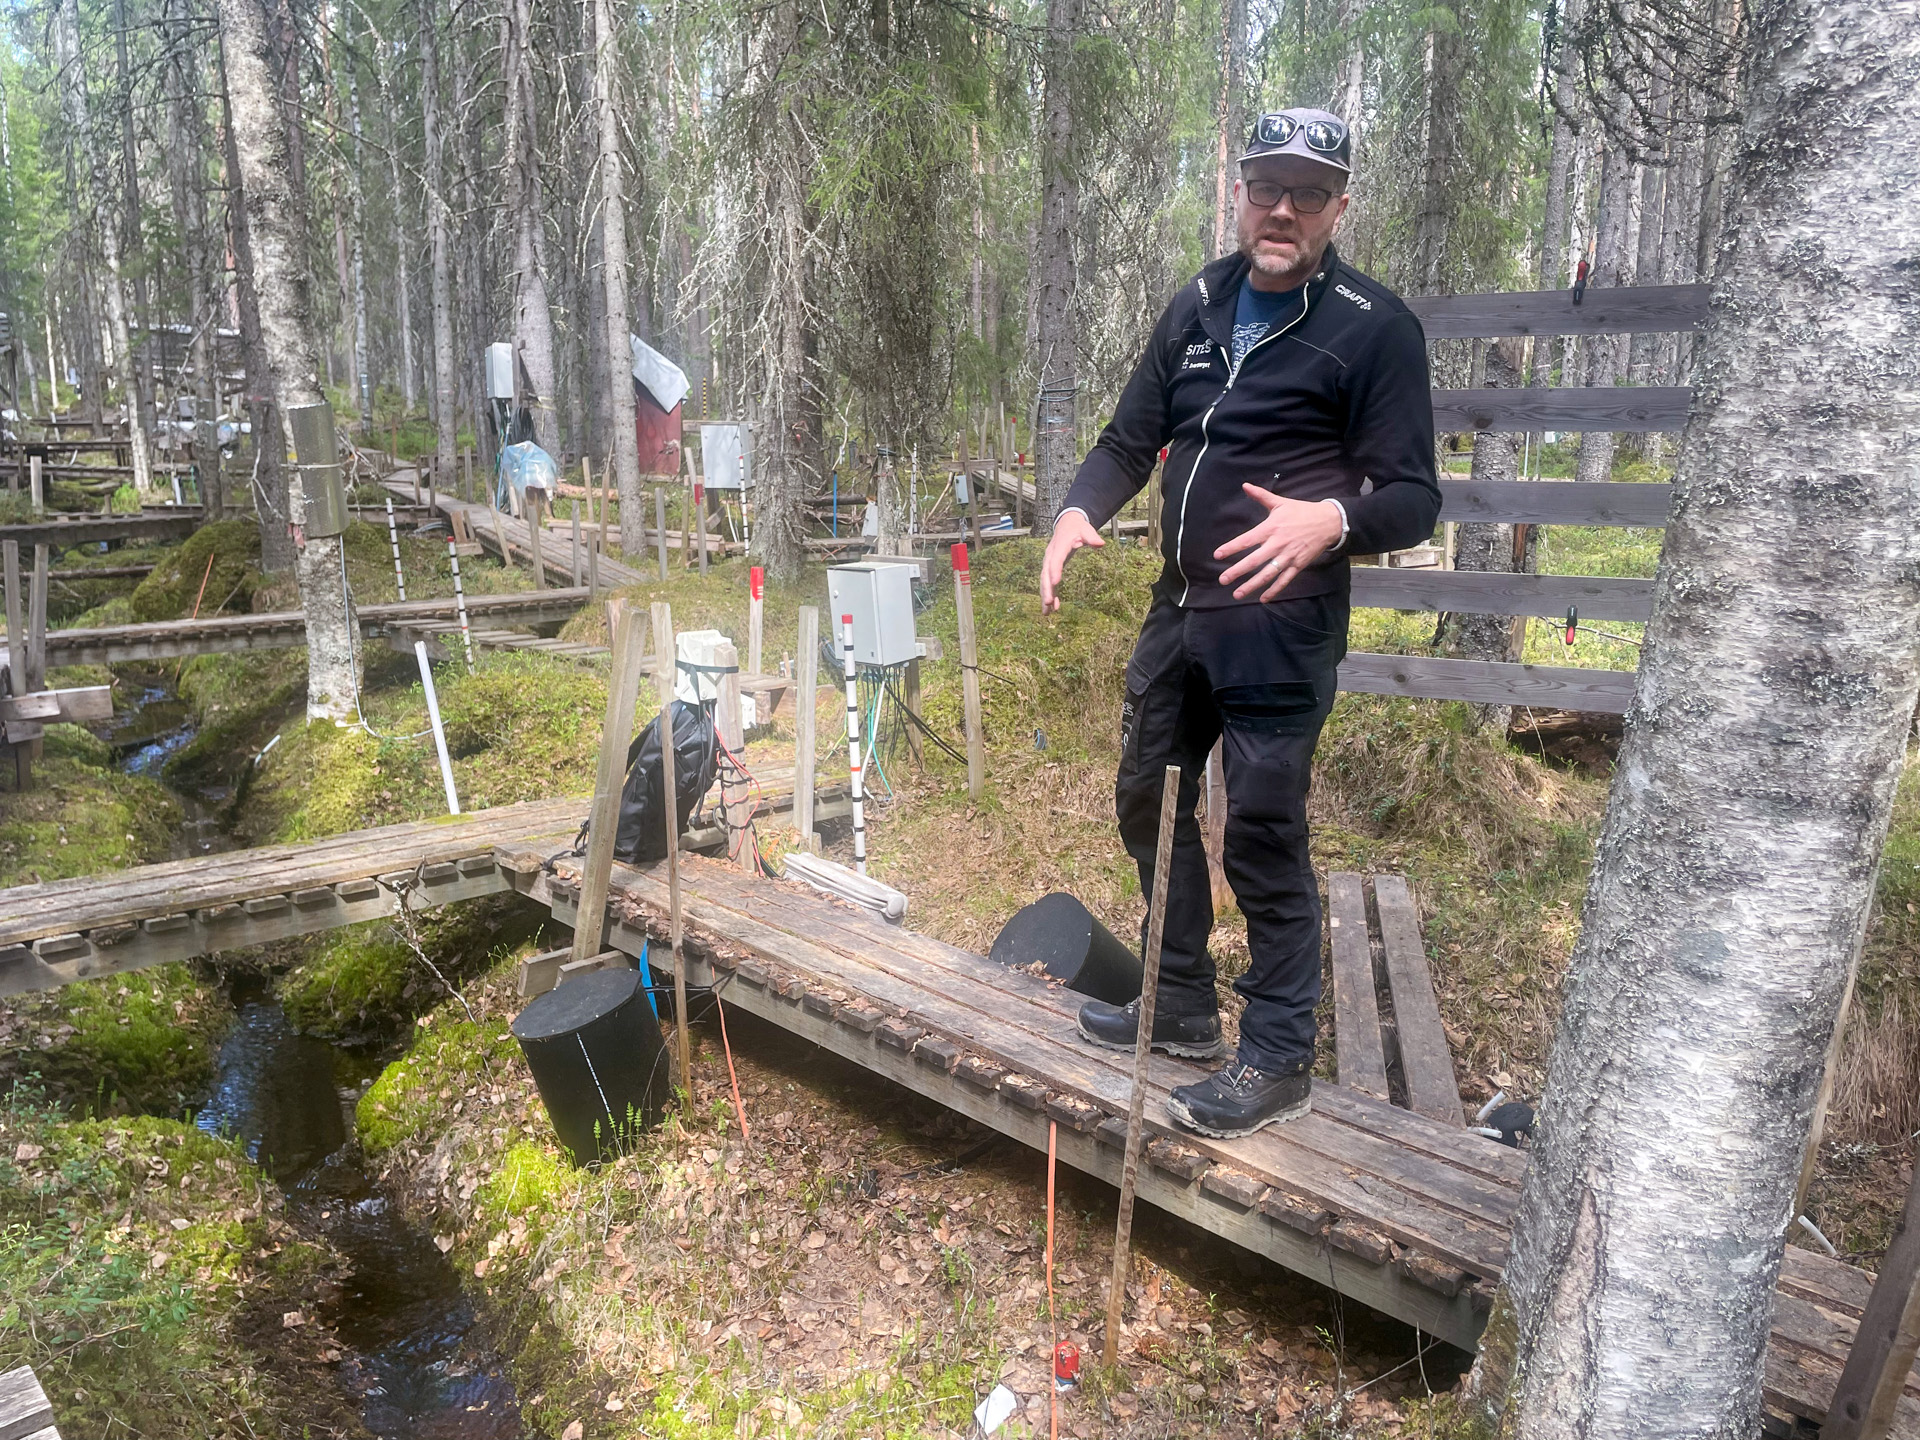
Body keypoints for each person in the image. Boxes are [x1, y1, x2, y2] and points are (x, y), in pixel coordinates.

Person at [1039, 108, 1440, 1138]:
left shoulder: (1373, 325)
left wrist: (1332, 520)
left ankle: (1274, 1055)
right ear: (1240, 190)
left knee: (1261, 832)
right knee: (1147, 799)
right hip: (1178, 611)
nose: (1283, 208)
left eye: (1310, 192)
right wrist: (1080, 509)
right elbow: (1129, 439)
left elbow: (1414, 497)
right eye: (1268, 185)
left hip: (1279, 621)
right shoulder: (1200, 303)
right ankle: (1175, 1002)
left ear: (1338, 207)